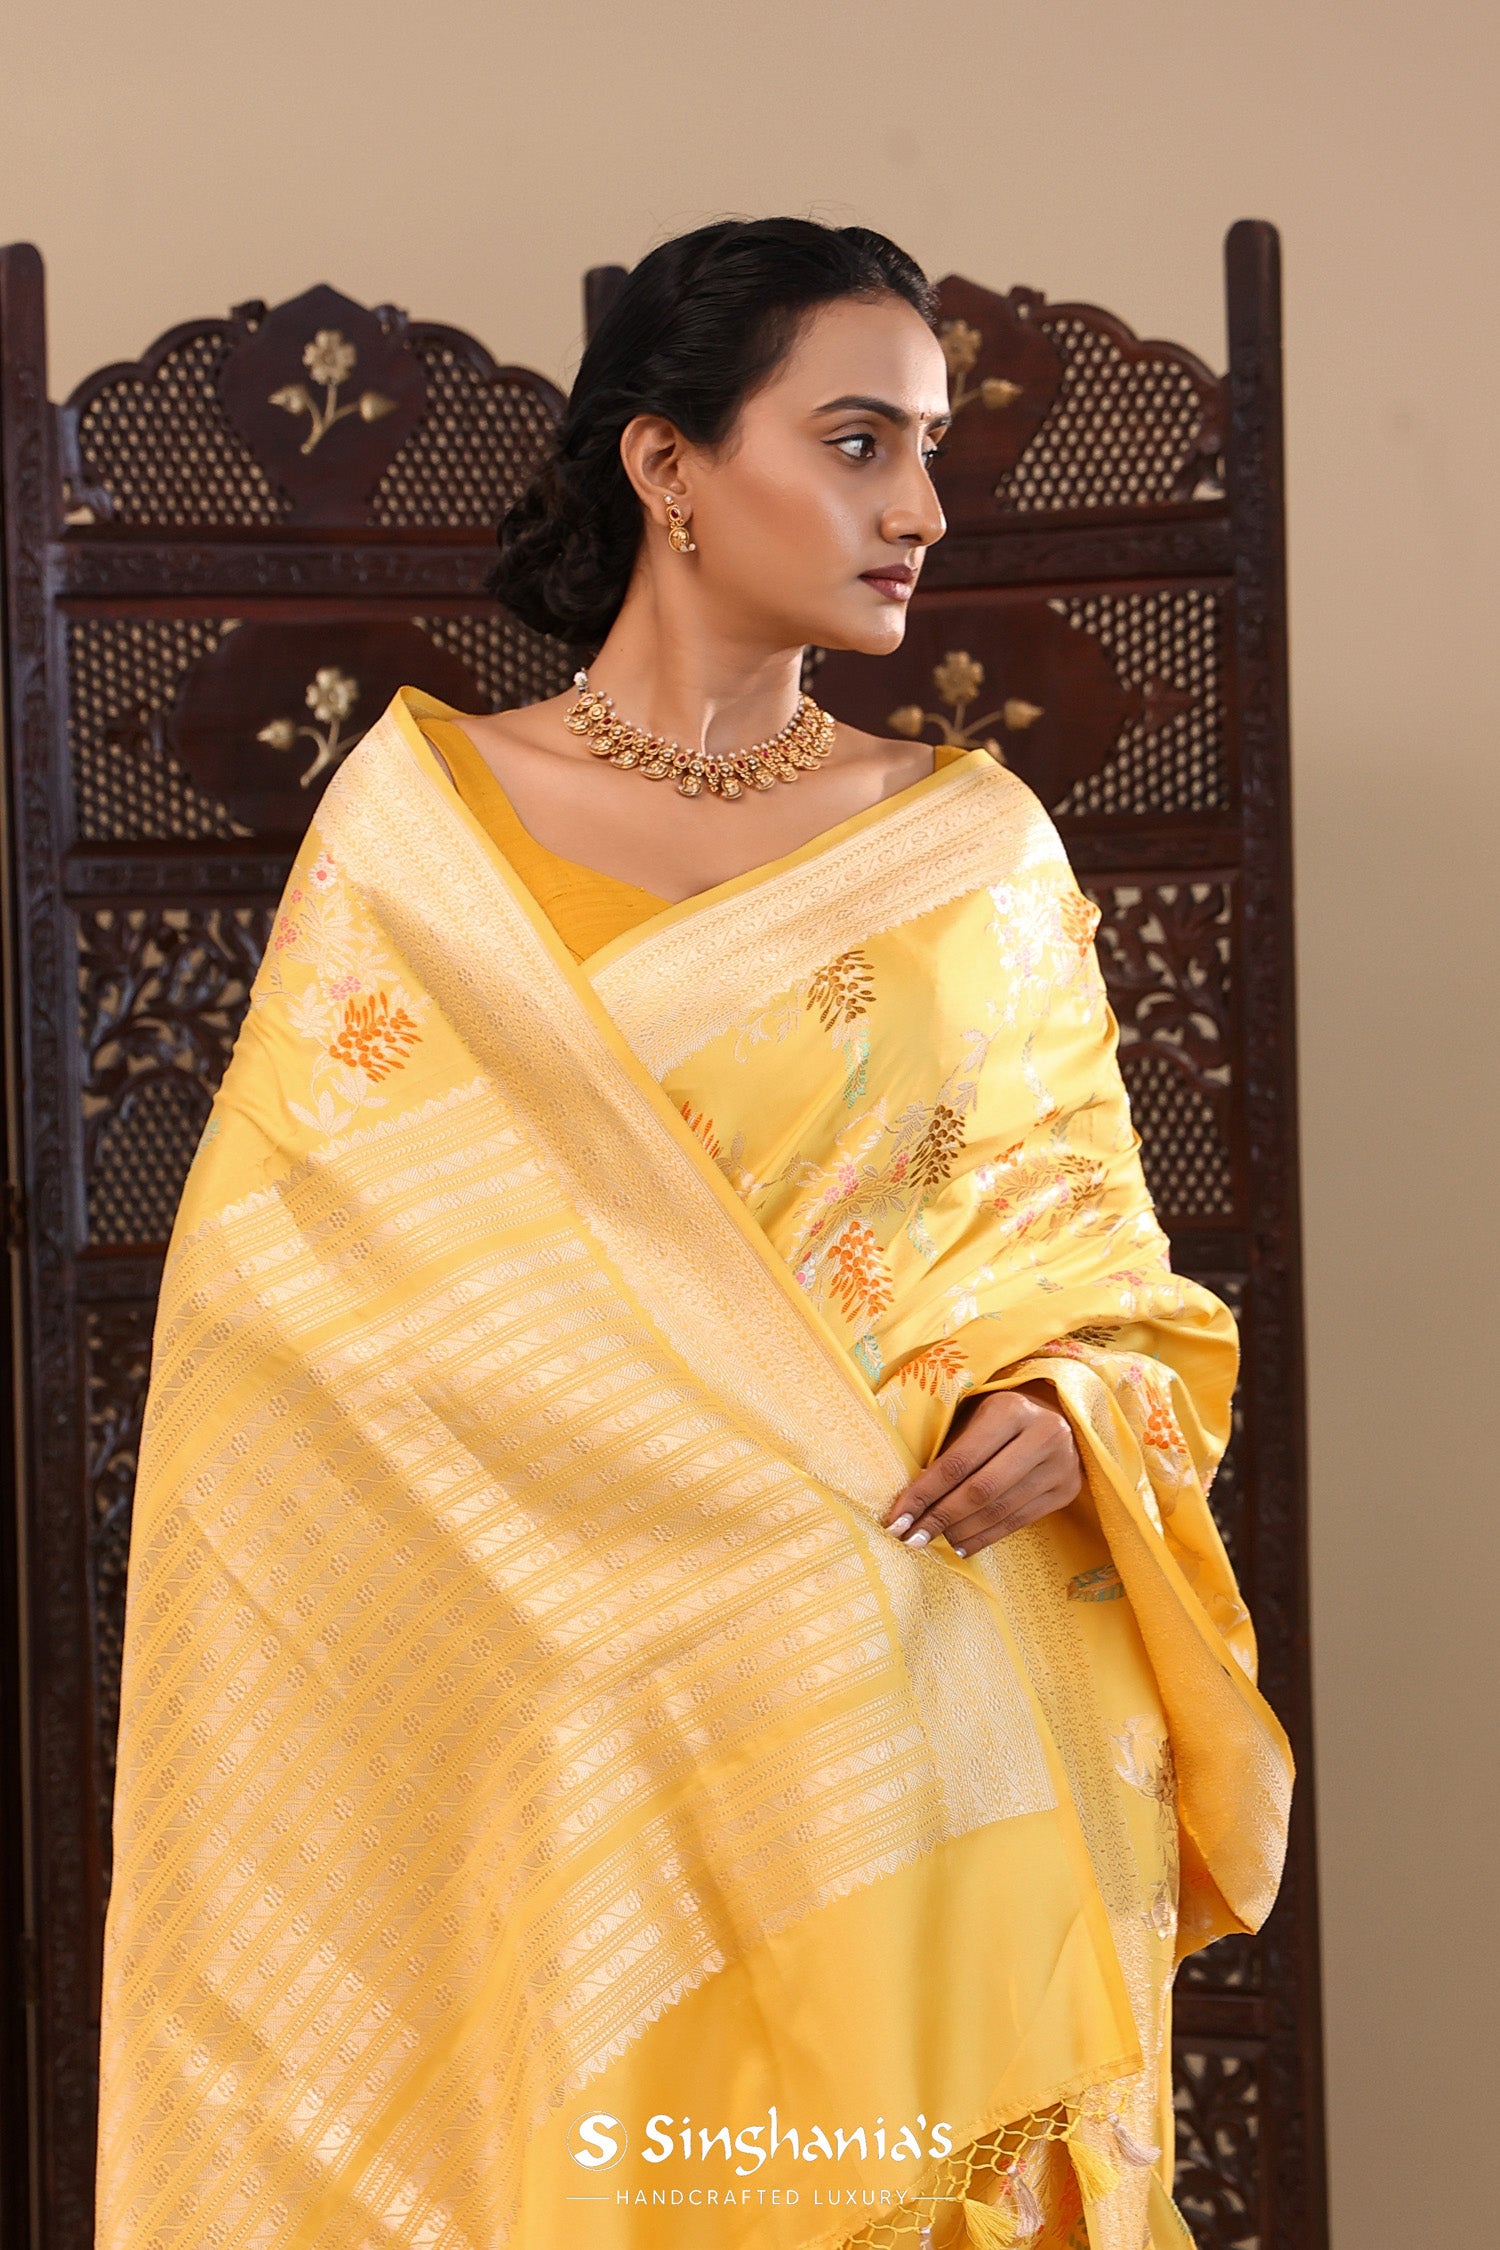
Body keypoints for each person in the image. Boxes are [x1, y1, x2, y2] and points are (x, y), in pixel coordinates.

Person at [95, 219, 1291, 2250]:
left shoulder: (970, 846)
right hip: (577, 1716)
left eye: (931, 451)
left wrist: (1069, 1410)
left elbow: (1100, 1263)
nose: (919, 511)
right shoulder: (428, 834)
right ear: (666, 464)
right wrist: (656, 1522)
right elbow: (288, 1323)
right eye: (856, 441)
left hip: (910, 1691)